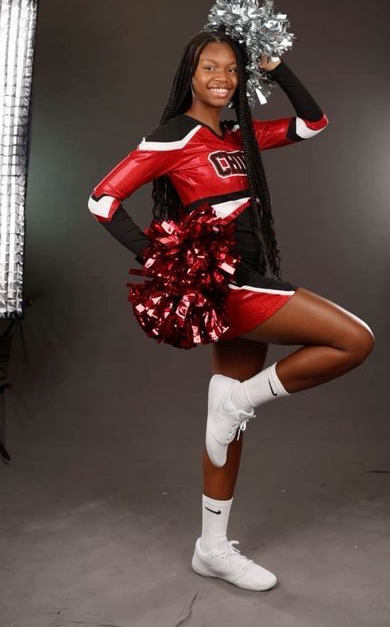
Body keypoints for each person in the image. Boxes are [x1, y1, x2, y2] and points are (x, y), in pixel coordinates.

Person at [88, 29, 375, 591]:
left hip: (249, 273)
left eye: (232, 69)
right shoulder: (174, 137)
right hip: (230, 287)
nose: (221, 78)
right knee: (355, 339)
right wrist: (161, 259)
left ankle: (212, 549)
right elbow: (102, 199)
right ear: (188, 76)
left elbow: (313, 123)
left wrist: (276, 66)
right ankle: (238, 400)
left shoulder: (238, 135)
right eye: (208, 68)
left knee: (229, 424)